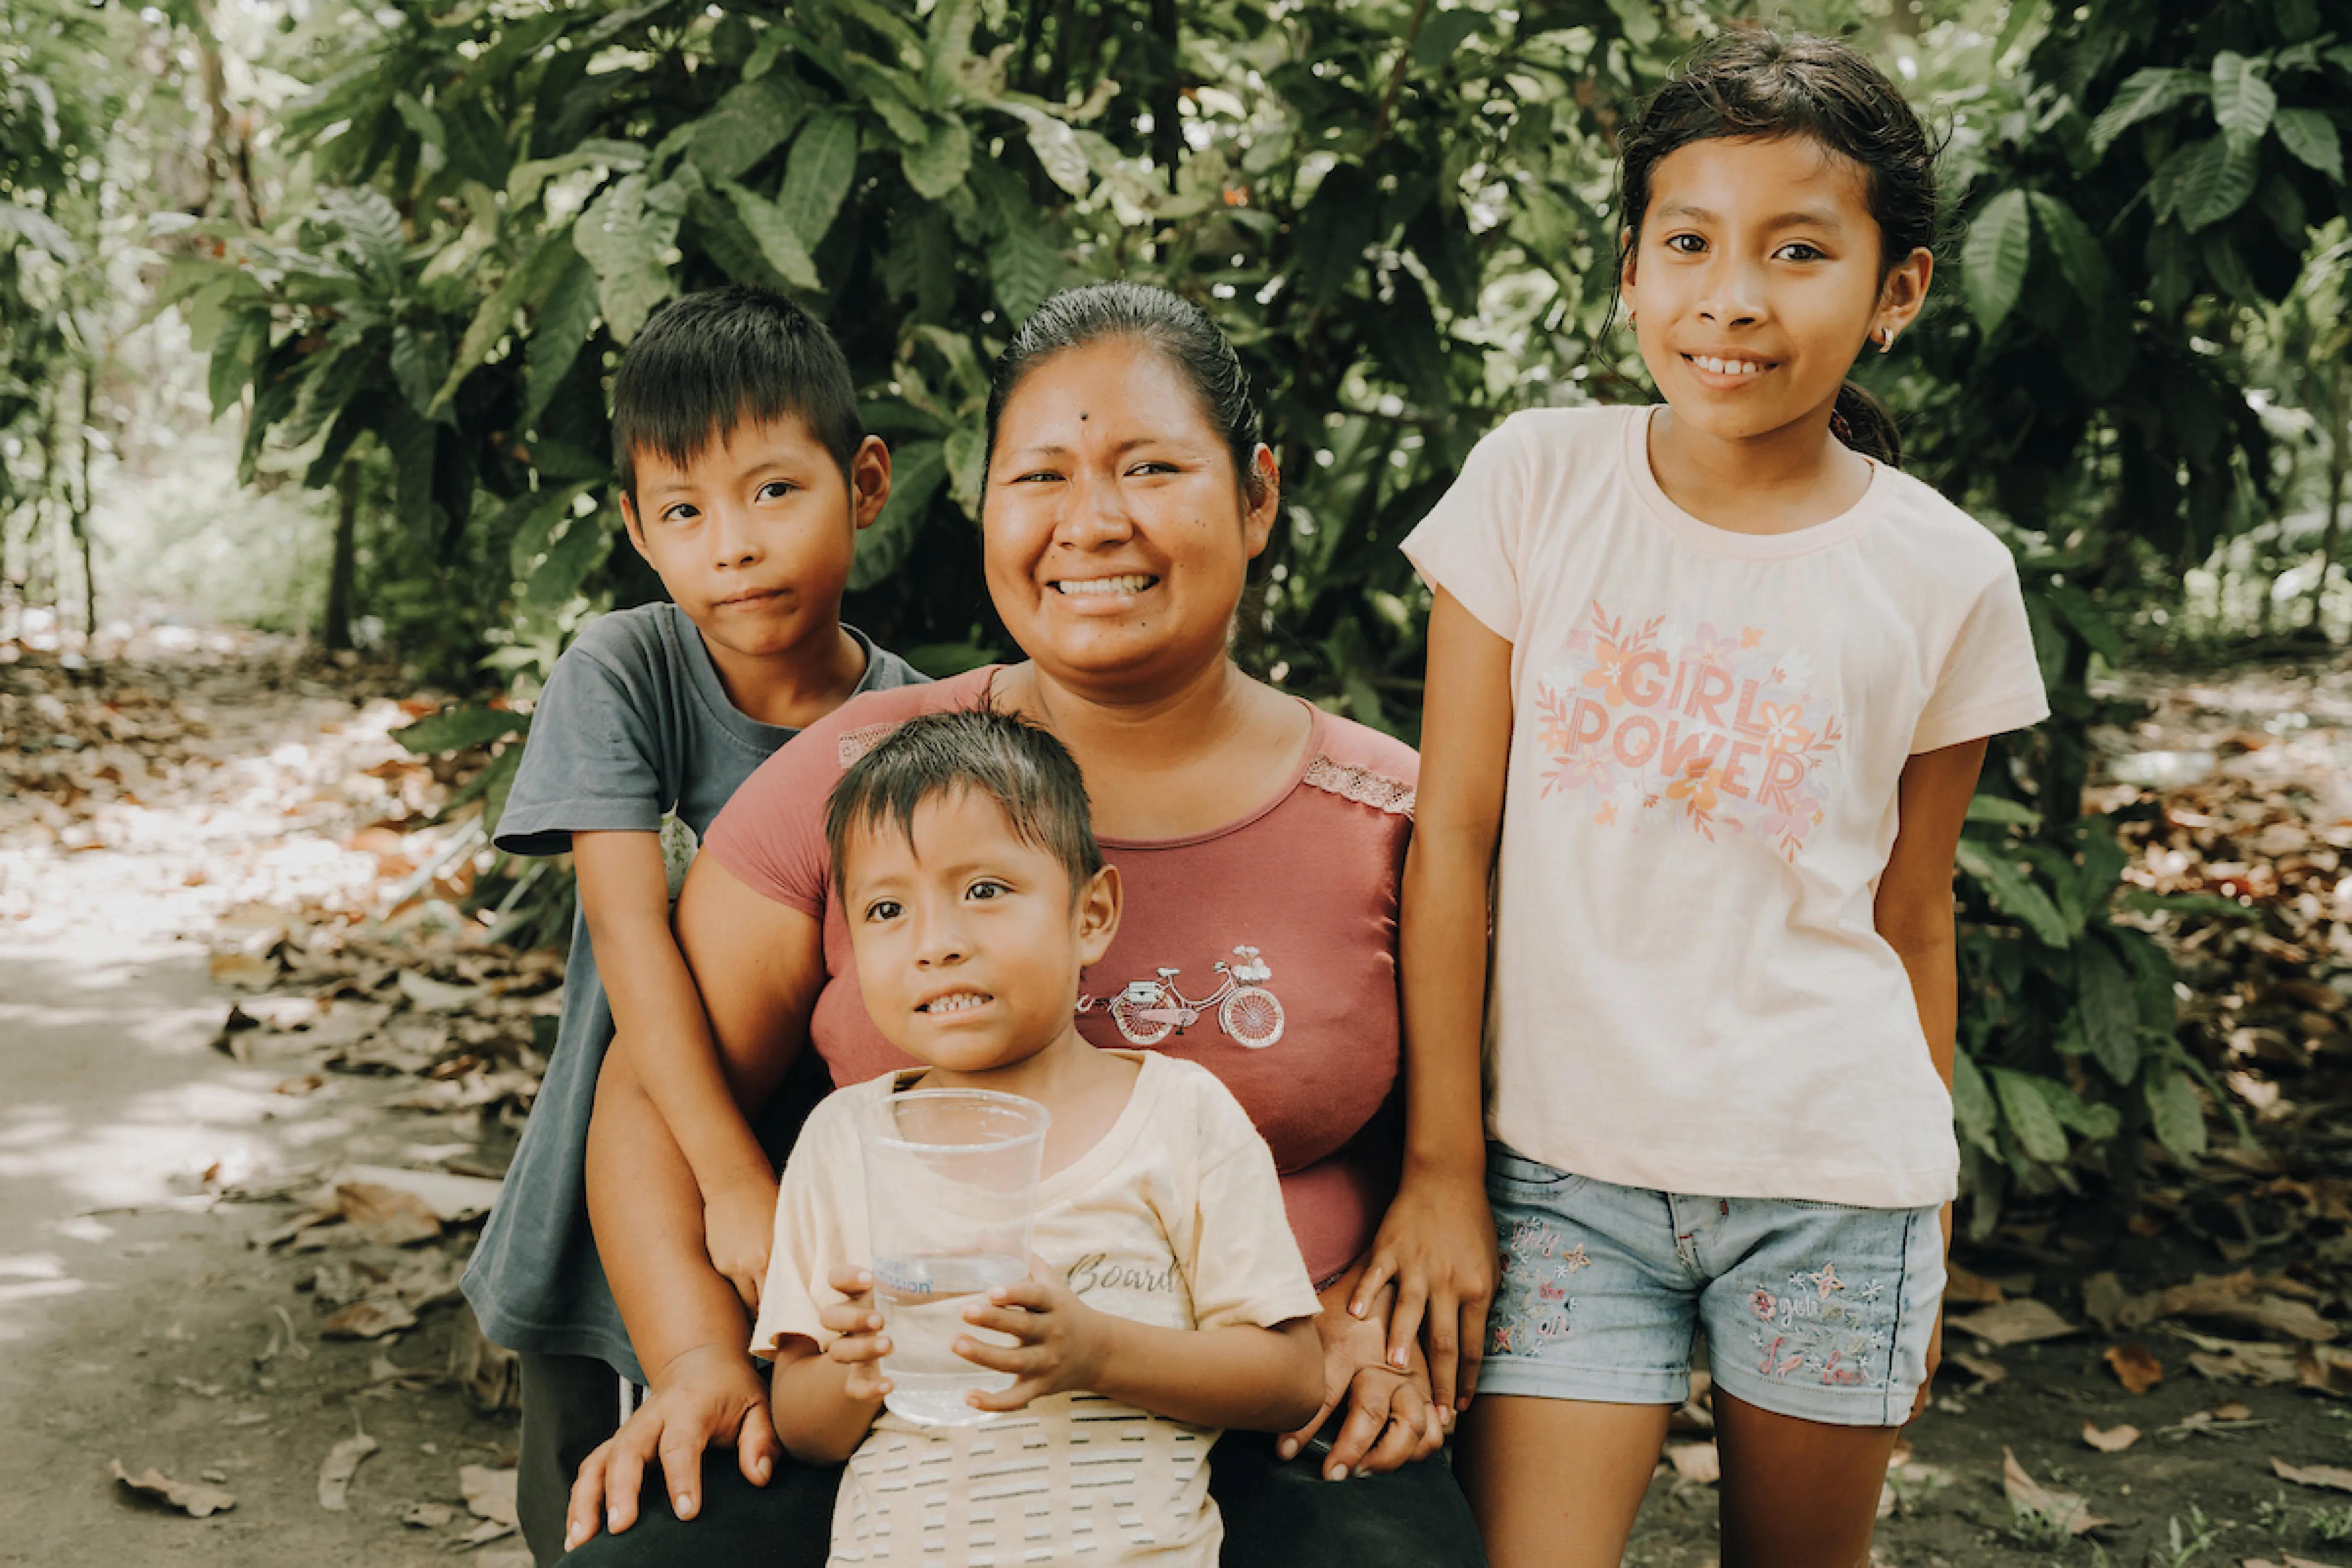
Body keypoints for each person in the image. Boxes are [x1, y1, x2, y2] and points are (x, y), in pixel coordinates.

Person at [560, 282, 1489, 1566]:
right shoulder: (865, 783)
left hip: (1273, 1393)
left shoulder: (1398, 816)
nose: (1091, 523)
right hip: (900, 1407)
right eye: (1040, 476)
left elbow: (1492, 1149)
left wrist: (1388, 1299)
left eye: (1151, 468)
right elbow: (653, 1093)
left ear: (1257, 495)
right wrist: (700, 1361)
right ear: (984, 505)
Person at [1399, 30, 2051, 1568]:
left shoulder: (1948, 575)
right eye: (1688, 243)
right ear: (1630, 269)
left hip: (1835, 1183)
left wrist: (1925, 1212)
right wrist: (1442, 1169)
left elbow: (1913, 917)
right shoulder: (1534, 485)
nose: (1733, 297)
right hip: (1560, 1180)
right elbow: (1452, 846)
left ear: (1897, 291)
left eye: (1799, 250)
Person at [455, 285, 928, 1563]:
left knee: (774, 1506)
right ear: (637, 529)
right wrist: (728, 1185)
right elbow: (632, 942)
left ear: (865, 483)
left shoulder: (921, 732)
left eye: (774, 491)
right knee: (591, 1510)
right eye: (685, 512)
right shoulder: (623, 673)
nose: (734, 545)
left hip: (823, 1212)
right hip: (626, 1181)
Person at [760, 707, 1325, 1564]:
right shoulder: (848, 1142)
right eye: (887, 908)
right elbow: (804, 1428)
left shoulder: (1179, 1116)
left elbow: (1291, 1380)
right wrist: (856, 1366)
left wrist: (1097, 1353)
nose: (937, 944)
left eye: (984, 891)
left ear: (1090, 914)